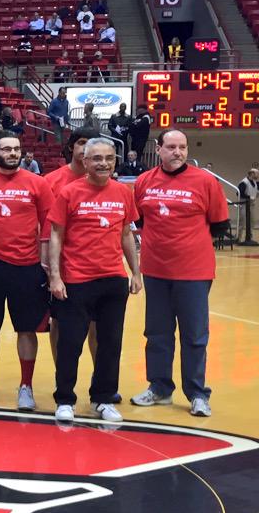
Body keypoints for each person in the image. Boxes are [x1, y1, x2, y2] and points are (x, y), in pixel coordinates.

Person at [130, 130, 229, 417]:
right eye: (171, 147)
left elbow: (219, 225)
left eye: (182, 147)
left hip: (194, 271)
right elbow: (139, 220)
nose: (178, 152)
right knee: (157, 333)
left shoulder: (205, 182)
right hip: (155, 270)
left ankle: (197, 393)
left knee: (194, 335)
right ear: (159, 149)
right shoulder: (144, 181)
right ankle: (160, 388)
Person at [48, 138, 142, 424]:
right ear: (85, 161)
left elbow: (126, 234)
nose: (104, 163)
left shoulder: (123, 192)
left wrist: (135, 272)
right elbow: (56, 235)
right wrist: (55, 276)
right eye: (97, 158)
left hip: (113, 279)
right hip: (77, 280)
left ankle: (103, 398)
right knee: (70, 344)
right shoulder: (69, 192)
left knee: (110, 344)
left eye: (109, 158)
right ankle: (65, 399)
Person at [0, 135, 54, 411]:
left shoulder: (38, 183)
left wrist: (47, 265)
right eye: (7, 149)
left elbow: (48, 226)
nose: (13, 153)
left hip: (28, 266)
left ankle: (26, 387)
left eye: (17, 149)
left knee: (27, 329)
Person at [237, 168, 259, 240]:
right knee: (242, 222)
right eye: (257, 173)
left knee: (252, 222)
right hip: (243, 204)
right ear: (252, 174)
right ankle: (238, 238)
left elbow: (255, 191)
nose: (258, 175)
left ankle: (249, 238)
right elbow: (238, 193)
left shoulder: (255, 182)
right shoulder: (244, 182)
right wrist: (249, 197)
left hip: (251, 205)